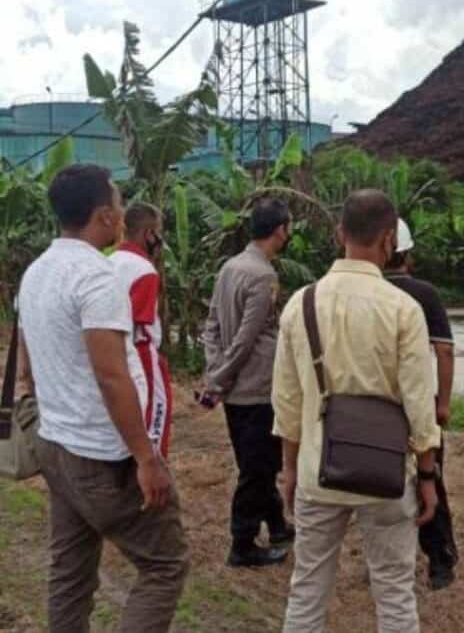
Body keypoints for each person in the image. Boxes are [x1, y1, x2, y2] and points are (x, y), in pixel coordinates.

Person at [17, 164, 188, 631]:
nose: (119, 208)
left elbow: (27, 367)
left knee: (69, 575)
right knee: (165, 564)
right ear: (105, 217)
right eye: (115, 201)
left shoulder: (36, 273)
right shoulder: (97, 278)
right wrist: (146, 457)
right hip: (101, 457)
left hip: (55, 444)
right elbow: (112, 376)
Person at [273, 190, 441, 633]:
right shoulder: (404, 309)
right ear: (390, 241)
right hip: (386, 476)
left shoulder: (300, 304)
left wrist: (289, 470)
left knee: (307, 590)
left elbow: (287, 402)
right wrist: (427, 476)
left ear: (339, 234)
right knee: (394, 593)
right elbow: (420, 406)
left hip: (315, 469)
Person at [201, 198, 294, 567]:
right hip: (256, 386)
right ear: (280, 230)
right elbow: (247, 337)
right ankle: (242, 543)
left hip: (236, 389)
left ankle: (277, 524)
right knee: (257, 469)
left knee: (256, 461)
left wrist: (215, 372)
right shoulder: (263, 276)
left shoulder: (230, 267)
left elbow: (212, 326)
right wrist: (218, 379)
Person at [384, 218, 459, 590]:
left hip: (376, 406)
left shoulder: (368, 290)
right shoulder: (424, 294)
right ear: (407, 254)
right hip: (420, 405)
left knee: (382, 480)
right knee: (430, 480)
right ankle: (440, 562)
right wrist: (442, 403)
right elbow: (444, 351)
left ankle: (387, 560)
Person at [110, 203, 173, 458]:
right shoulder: (144, 270)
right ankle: (155, 468)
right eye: (158, 232)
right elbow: (140, 324)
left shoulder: (107, 262)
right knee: (156, 414)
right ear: (149, 233)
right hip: (141, 353)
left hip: (112, 354)